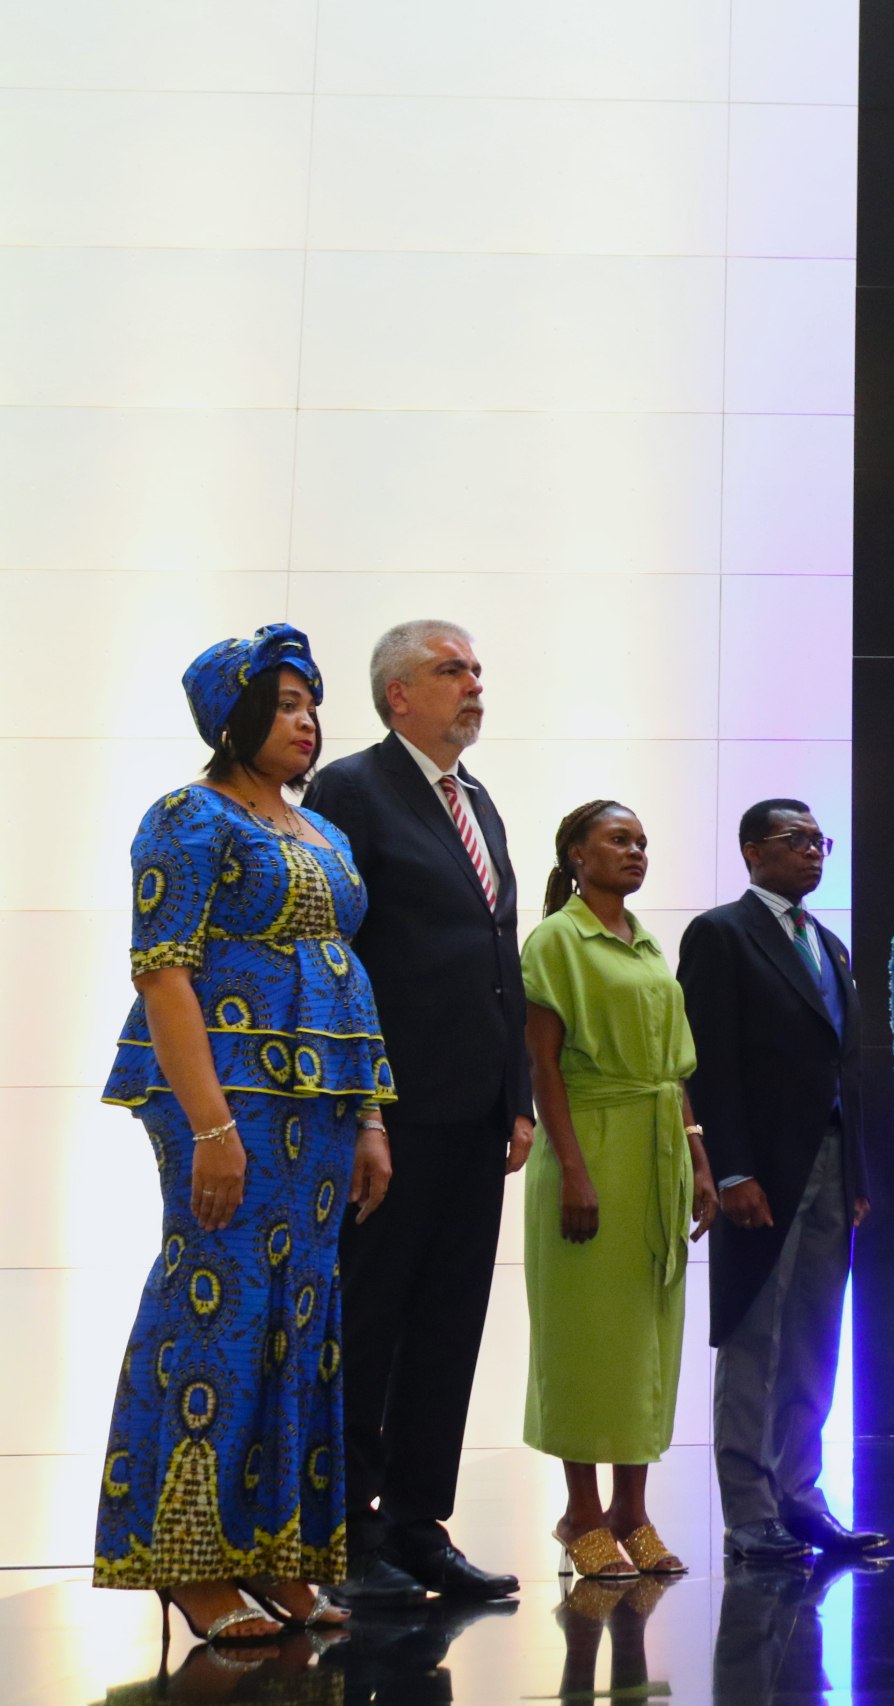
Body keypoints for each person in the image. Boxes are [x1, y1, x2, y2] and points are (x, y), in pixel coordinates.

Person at [95, 625, 395, 1648]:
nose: (307, 723)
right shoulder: (187, 816)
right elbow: (163, 972)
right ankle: (188, 1559)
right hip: (224, 1100)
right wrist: (211, 1122)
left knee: (299, 1318)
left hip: (319, 1103)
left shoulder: (325, 835)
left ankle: (281, 1547)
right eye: (285, 704)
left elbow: (347, 975)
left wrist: (366, 1116)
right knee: (214, 1311)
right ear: (233, 716)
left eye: (313, 705)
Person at [302, 619, 529, 1605]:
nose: (473, 684)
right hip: (393, 1108)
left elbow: (498, 956)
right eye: (451, 670)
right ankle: (345, 1529)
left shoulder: (476, 798)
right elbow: (337, 949)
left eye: (477, 669)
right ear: (398, 694)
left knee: (451, 1320)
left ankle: (417, 1524)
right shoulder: (354, 787)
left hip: (476, 1112)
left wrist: (516, 1093)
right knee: (376, 1316)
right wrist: (362, 1104)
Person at [677, 800, 886, 1562]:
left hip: (831, 1167)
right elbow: (709, 1058)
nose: (812, 852)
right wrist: (729, 1167)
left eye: (819, 840)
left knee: (813, 1339)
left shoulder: (827, 944)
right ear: (750, 851)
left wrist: (857, 1172)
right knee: (755, 1334)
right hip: (760, 1170)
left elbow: (847, 1069)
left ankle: (802, 1497)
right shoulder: (721, 934)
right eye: (795, 840)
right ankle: (749, 1510)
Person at [521, 800, 715, 1578]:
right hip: (590, 1147)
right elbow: (543, 1067)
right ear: (576, 852)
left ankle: (633, 1511)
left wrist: (698, 1160)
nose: (636, 851)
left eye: (642, 841)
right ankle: (580, 1514)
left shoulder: (646, 946)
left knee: (647, 1337)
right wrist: (572, 1166)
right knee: (583, 1338)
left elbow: (673, 1073)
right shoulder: (557, 940)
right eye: (618, 839)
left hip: (657, 1147)